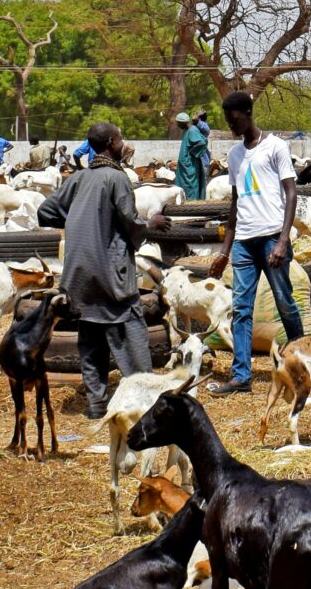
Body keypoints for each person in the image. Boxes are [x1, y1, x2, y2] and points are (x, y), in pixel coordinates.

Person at [37, 122, 165, 416]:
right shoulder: (116, 178)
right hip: (111, 275)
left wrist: (79, 222)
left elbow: (45, 211)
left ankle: (96, 405)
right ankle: (144, 402)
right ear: (110, 142)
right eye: (121, 139)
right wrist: (151, 224)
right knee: (130, 332)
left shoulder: (78, 178)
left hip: (78, 277)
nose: (124, 144)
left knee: (91, 337)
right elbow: (131, 223)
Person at [212, 90, 300, 396]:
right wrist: (225, 249)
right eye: (227, 120)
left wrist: (282, 240)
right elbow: (235, 202)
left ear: (247, 113)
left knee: (284, 302)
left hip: (272, 238)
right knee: (241, 309)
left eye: (233, 119)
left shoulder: (276, 147)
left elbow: (291, 193)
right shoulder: (235, 155)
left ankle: (302, 361)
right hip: (244, 243)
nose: (231, 125)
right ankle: (241, 376)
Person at [175, 109, 211, 200]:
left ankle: (192, 205)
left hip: (190, 166)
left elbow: (201, 143)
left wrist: (192, 153)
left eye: (178, 123)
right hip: (187, 166)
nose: (177, 125)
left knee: (190, 186)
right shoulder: (189, 130)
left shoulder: (192, 130)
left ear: (182, 122)